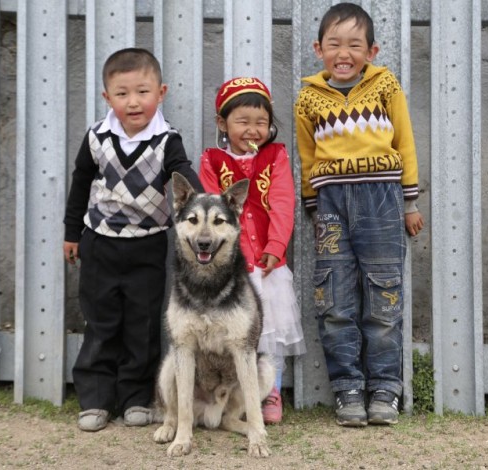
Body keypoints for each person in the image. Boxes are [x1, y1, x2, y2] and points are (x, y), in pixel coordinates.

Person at [294, 3, 424, 427]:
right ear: (319, 49)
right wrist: (313, 205)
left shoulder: (385, 85)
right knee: (334, 298)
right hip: (331, 205)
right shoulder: (308, 98)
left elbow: (404, 141)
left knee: (384, 295)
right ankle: (347, 387)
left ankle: (385, 388)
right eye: (334, 44)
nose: (343, 53)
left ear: (371, 51)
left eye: (354, 45)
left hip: (382, 199)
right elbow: (307, 155)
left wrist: (410, 202)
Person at [63, 47, 203, 432]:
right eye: (122, 93)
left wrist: (202, 199)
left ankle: (136, 398)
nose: (133, 102)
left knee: (142, 324)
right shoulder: (97, 137)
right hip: (100, 242)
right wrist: (71, 233)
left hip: (147, 244)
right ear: (107, 97)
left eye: (143, 92)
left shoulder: (167, 140)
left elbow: (181, 170)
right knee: (101, 321)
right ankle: (95, 399)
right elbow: (80, 183)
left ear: (161, 92)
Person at [199, 77, 306, 424]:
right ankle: (233, 392)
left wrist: (276, 246)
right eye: (242, 121)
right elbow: (213, 210)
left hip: (267, 265)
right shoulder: (212, 160)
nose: (252, 130)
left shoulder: (275, 157)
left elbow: (282, 203)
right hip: (231, 267)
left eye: (261, 122)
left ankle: (269, 390)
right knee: (234, 332)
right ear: (222, 123)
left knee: (270, 329)